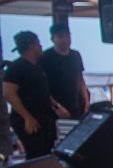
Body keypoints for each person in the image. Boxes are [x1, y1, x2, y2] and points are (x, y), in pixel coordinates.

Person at [2, 31, 69, 159]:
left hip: (44, 118)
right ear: (31, 46)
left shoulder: (36, 67)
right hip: (29, 120)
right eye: (38, 43)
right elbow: (9, 93)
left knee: (46, 152)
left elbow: (43, 92)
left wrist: (57, 106)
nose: (41, 46)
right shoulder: (17, 68)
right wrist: (27, 117)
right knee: (35, 154)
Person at [38, 23, 89, 119]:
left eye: (67, 36)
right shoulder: (45, 57)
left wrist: (86, 102)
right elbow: (41, 87)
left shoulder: (75, 55)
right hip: (56, 110)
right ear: (53, 39)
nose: (65, 40)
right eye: (60, 37)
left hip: (77, 107)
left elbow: (80, 79)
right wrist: (56, 106)